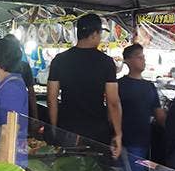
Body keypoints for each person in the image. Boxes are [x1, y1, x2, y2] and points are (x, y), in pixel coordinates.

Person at [46, 13, 122, 157]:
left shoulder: (59, 60)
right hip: (97, 131)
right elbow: (113, 102)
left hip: (67, 128)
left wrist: (54, 127)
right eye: (100, 34)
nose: (100, 38)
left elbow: (51, 98)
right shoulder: (106, 62)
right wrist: (118, 134)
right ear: (94, 34)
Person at [118, 44, 165, 171]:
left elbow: (159, 114)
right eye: (139, 57)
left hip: (143, 141)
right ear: (127, 61)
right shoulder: (119, 85)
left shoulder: (149, 86)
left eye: (143, 57)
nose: (143, 60)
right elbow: (112, 111)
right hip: (123, 140)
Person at [0, 35, 30, 162]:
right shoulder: (2, 81)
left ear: (1, 58)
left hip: (7, 156)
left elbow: (10, 129)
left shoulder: (12, 88)